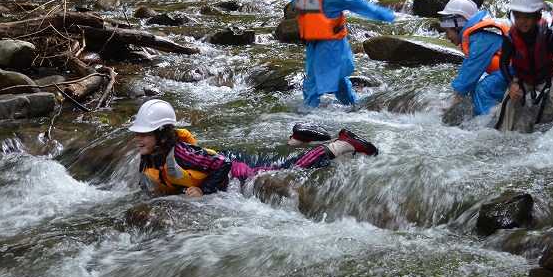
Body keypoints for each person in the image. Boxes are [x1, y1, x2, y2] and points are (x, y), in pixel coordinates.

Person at [246, 0, 395, 109]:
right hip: (314, 45)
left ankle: (304, 121)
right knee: (339, 85)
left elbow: (358, 3)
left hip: (331, 47)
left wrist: (386, 15)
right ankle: (357, 108)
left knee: (312, 87)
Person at [129, 99, 379, 197]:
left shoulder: (182, 153)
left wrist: (204, 190)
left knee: (287, 168)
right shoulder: (150, 156)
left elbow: (223, 165)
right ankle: (298, 140)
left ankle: (343, 144)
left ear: (162, 135)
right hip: (224, 159)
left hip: (236, 166)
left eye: (144, 134)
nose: (138, 139)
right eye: (137, 133)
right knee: (280, 161)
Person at [496, 0, 553, 132]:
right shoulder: (510, 38)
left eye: (527, 17)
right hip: (522, 80)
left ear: (537, 17)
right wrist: (511, 84)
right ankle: (502, 136)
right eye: (518, 16)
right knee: (505, 108)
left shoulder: (547, 33)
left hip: (547, 79)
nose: (522, 21)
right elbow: (503, 63)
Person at [438, 0, 510, 116]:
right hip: (507, 72)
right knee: (474, 88)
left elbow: (470, 74)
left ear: (457, 26)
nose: (447, 37)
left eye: (447, 32)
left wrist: (454, 101)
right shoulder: (475, 39)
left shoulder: (479, 42)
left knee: (482, 89)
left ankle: (488, 122)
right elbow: (466, 70)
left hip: (514, 70)